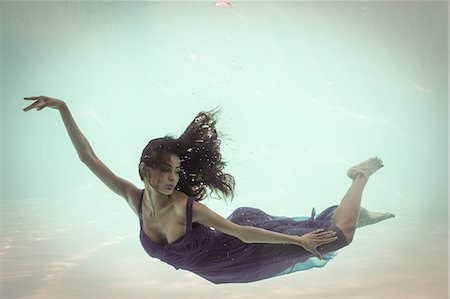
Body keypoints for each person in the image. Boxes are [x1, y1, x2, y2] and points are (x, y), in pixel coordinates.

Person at [23, 96, 395, 284]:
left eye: (177, 171)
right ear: (144, 171)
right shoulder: (132, 198)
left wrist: (297, 244)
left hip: (238, 254)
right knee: (325, 233)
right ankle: (358, 214)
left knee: (334, 238)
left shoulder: (186, 205)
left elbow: (242, 233)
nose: (173, 178)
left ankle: (359, 177)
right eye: (166, 171)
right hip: (216, 271)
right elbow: (89, 158)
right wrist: (63, 109)